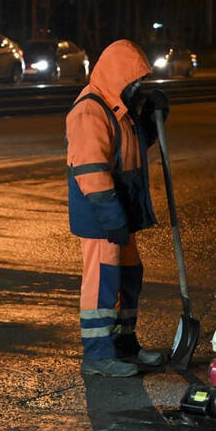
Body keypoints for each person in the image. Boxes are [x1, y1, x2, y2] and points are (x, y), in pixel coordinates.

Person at [66, 40, 168, 377]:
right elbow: (92, 173)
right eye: (133, 81)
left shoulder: (118, 110)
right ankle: (97, 355)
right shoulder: (90, 111)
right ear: (116, 76)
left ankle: (124, 345)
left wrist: (151, 123)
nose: (137, 87)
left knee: (128, 277)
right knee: (102, 281)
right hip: (102, 216)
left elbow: (130, 152)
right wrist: (111, 217)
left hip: (120, 213)